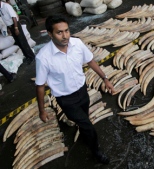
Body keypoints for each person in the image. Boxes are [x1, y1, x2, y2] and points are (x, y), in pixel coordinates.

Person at [35, 15, 115, 164]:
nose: (65, 36)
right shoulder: (43, 57)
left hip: (82, 91)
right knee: (88, 126)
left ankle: (85, 134)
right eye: (59, 32)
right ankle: (96, 151)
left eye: (67, 31)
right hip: (66, 99)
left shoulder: (77, 44)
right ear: (50, 34)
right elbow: (40, 86)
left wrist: (105, 78)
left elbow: (90, 61)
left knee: (84, 118)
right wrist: (42, 110)